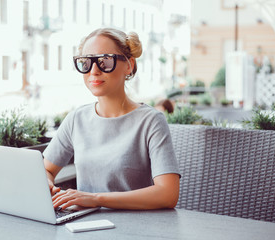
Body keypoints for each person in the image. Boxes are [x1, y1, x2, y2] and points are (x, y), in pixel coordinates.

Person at [43, 28, 180, 210]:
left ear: (129, 65)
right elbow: (46, 169)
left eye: (105, 61)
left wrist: (97, 199)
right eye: (86, 62)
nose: (93, 71)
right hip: (84, 225)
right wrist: (47, 184)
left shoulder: (151, 121)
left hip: (136, 228)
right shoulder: (76, 119)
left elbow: (168, 194)